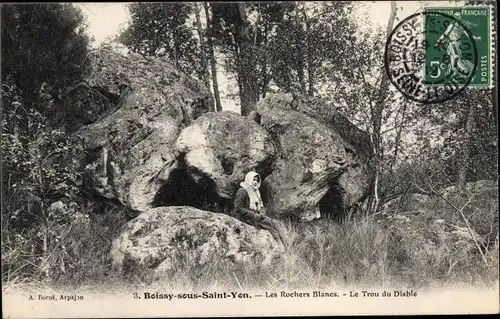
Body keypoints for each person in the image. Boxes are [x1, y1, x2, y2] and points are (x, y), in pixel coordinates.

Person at [233, 171, 287, 245]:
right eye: (253, 180)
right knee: (272, 229)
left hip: (257, 216)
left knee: (278, 224)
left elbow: (261, 206)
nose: (255, 182)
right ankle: (281, 248)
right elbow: (238, 208)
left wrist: (262, 213)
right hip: (246, 218)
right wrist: (253, 215)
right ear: (249, 179)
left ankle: (288, 243)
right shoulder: (242, 191)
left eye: (256, 180)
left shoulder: (256, 192)